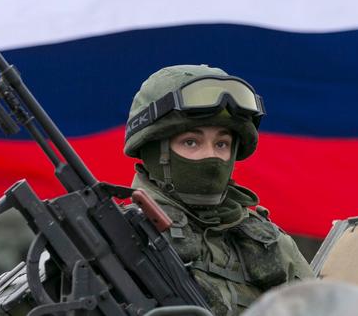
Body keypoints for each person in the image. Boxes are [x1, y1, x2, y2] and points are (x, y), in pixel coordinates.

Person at [124, 64, 313, 316]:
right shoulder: (119, 237)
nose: (211, 156)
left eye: (222, 144)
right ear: (155, 151)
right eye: (191, 142)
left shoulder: (270, 242)